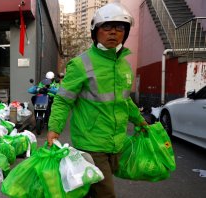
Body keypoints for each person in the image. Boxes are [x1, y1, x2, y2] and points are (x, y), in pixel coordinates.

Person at [47, 2, 148, 198]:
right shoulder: (80, 64)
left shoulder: (124, 66)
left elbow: (124, 101)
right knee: (106, 193)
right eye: (107, 27)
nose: (113, 32)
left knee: (90, 190)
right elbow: (63, 100)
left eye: (120, 27)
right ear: (95, 31)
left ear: (126, 33)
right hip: (90, 145)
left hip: (116, 142)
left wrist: (139, 120)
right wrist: (54, 129)